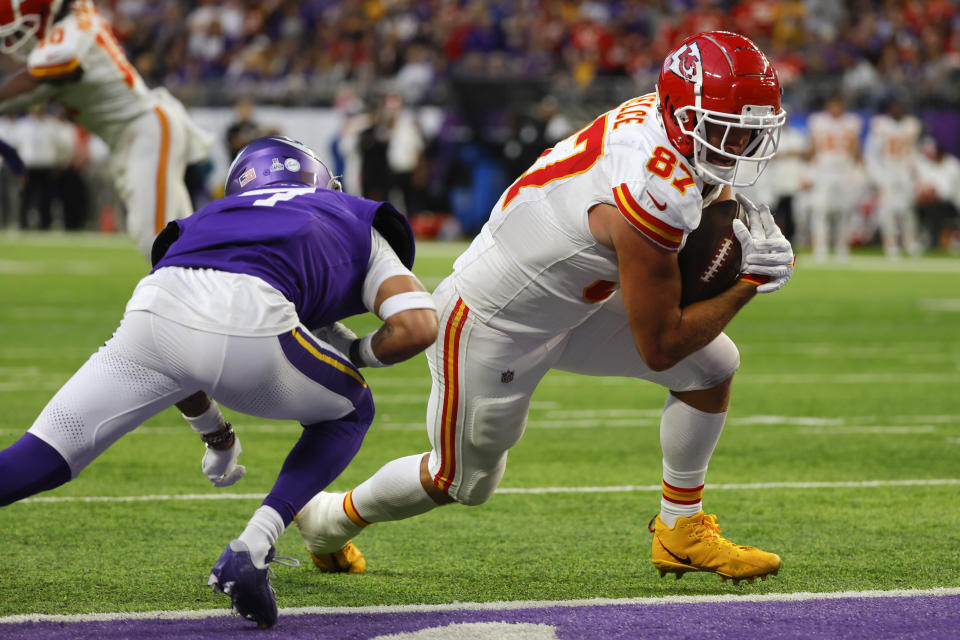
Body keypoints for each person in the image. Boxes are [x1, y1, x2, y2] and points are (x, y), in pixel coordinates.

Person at [295, 31, 795, 585]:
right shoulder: (650, 185)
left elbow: (707, 197)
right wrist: (747, 280)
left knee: (713, 366)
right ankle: (328, 520)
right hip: (493, 319)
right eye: (727, 125)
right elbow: (660, 345)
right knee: (461, 481)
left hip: (575, 304)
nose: (742, 141)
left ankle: (680, 528)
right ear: (681, 113)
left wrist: (725, 224)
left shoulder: (670, 130)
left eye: (752, 126)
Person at [0, 135, 440, 629]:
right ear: (320, 180)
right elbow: (418, 325)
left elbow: (185, 338)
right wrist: (355, 353)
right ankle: (254, 545)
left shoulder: (207, 219)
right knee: (350, 409)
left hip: (153, 311)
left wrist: (216, 433)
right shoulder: (348, 213)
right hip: (251, 315)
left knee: (45, 452)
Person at [0, 0, 213, 258]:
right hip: (134, 136)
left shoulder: (73, 30)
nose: (13, 43)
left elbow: (33, 81)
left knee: (156, 239)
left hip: (145, 130)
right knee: (184, 243)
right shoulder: (71, 24)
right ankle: (214, 290)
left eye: (19, 33)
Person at [806, 94, 864, 262]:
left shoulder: (851, 121)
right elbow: (813, 146)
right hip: (824, 170)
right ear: (828, 105)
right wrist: (808, 168)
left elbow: (855, 145)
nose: (836, 108)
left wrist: (858, 166)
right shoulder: (818, 121)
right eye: (833, 104)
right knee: (820, 209)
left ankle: (842, 246)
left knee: (845, 210)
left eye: (839, 105)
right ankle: (820, 247)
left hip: (843, 169)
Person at [864, 99, 922, 258]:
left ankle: (910, 242)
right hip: (887, 169)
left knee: (907, 209)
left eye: (900, 106)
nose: (897, 110)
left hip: (904, 170)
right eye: (894, 107)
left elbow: (914, 151)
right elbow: (871, 152)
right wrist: (876, 175)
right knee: (887, 210)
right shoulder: (880, 125)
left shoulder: (911, 124)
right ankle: (891, 244)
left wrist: (916, 174)